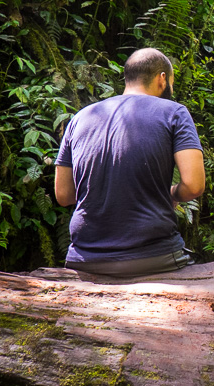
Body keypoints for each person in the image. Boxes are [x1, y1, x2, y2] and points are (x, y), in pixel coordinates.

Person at [54, 48, 205, 276]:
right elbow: (194, 185)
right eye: (171, 83)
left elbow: (64, 195)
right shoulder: (174, 113)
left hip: (84, 257)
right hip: (153, 256)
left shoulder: (80, 117)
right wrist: (171, 194)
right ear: (162, 78)